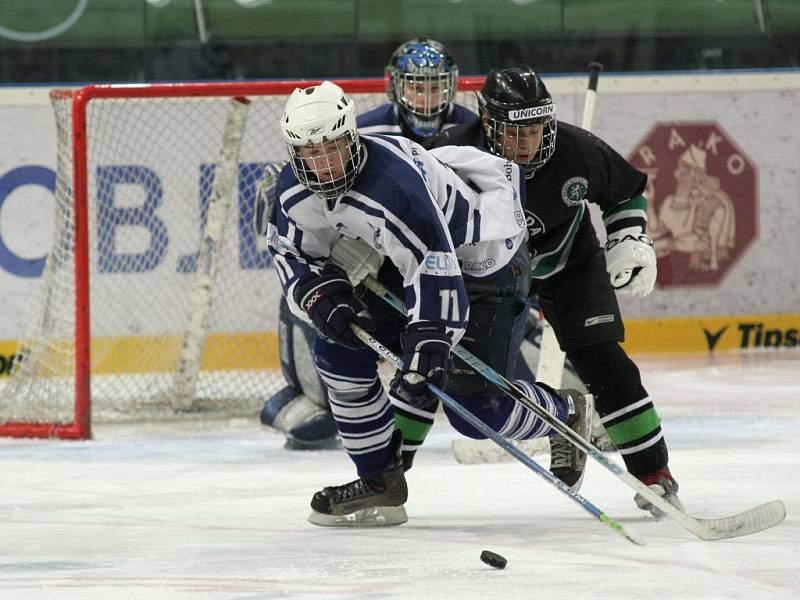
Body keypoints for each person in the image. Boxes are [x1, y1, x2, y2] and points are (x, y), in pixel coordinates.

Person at [266, 80, 592, 526]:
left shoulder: (391, 186)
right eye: (310, 154)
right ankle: (381, 481)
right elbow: (292, 250)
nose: (323, 165)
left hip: (486, 260)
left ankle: (564, 412)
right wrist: (320, 294)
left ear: (351, 136)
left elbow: (434, 266)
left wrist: (428, 345)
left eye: (333, 148)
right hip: (403, 264)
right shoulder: (294, 189)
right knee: (336, 347)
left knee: (475, 411)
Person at [421, 66, 683, 517]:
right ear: (487, 124)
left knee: (603, 359)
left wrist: (629, 237)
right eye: (515, 132)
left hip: (567, 265)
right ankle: (385, 477)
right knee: (454, 375)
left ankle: (654, 475)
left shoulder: (575, 149)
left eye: (536, 129)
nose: (529, 143)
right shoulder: (448, 154)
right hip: (488, 278)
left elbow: (626, 192)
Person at [260, 38, 477, 451]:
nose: (426, 98)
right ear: (395, 86)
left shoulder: (472, 129)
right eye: (417, 86)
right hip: (375, 254)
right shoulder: (368, 129)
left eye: (435, 87)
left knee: (477, 379)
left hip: (457, 255)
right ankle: (315, 394)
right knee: (312, 287)